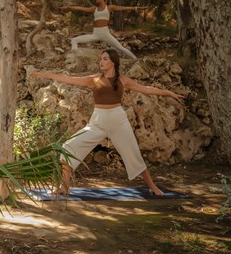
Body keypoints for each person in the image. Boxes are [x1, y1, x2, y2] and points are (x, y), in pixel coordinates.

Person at [30, 48, 184, 196]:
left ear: (113, 62)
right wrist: (47, 74)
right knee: (68, 146)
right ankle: (64, 187)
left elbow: (146, 89)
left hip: (118, 120)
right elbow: (69, 79)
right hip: (98, 121)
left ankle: (153, 187)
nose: (101, 62)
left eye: (105, 59)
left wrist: (168, 93)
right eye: (101, 59)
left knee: (134, 154)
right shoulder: (94, 79)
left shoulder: (123, 80)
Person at [60, 0, 148, 59]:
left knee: (120, 48)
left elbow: (123, 8)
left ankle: (136, 59)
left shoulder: (109, 7)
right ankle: (73, 57)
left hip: (105, 34)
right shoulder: (94, 9)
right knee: (74, 40)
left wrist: (137, 8)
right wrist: (68, 7)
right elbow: (81, 8)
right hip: (95, 34)